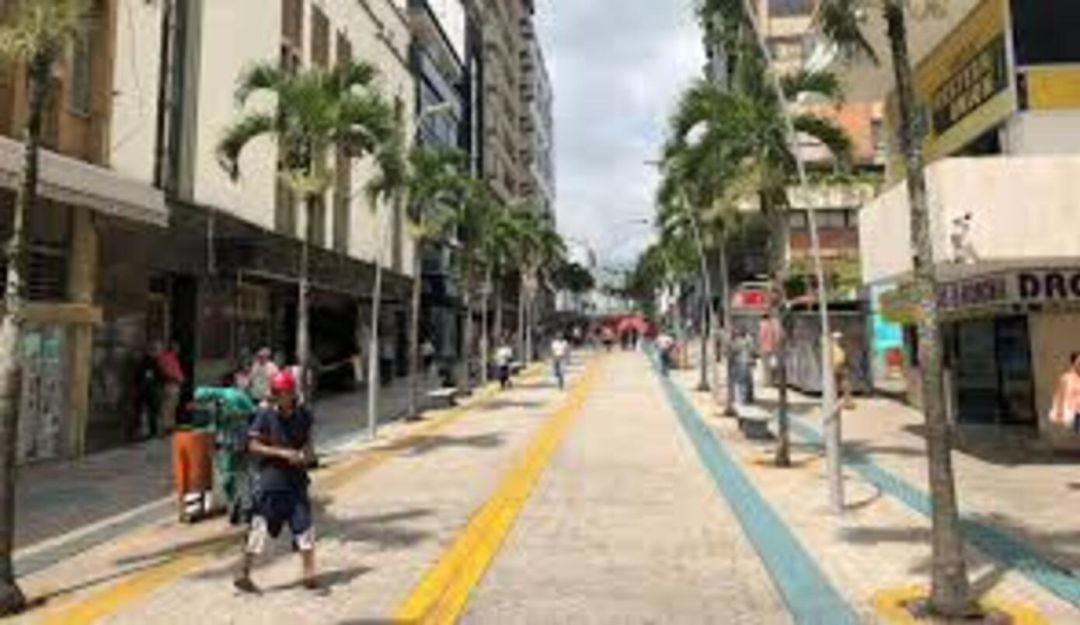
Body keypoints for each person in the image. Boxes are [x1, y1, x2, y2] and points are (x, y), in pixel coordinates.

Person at [235, 370, 318, 593]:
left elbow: (308, 444)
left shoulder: (304, 415)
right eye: (278, 393)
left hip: (296, 481)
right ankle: (244, 572)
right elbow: (253, 445)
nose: (283, 397)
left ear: (293, 393)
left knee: (304, 526)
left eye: (286, 392)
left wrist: (306, 456)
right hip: (271, 481)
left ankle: (309, 572)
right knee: (258, 526)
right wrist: (282, 453)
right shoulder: (265, 415)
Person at [155, 341, 186, 435]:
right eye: (177, 348)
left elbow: (177, 370)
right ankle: (164, 427)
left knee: (172, 406)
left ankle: (170, 426)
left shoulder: (174, 358)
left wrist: (181, 378)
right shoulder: (166, 358)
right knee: (167, 406)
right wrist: (178, 378)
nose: (178, 350)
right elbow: (167, 371)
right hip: (170, 384)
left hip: (175, 384)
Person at [1051, 352, 1080, 434]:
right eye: (1079, 363)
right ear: (1073, 364)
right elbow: (1060, 396)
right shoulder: (1066, 378)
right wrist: (1059, 413)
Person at [830, 331, 855, 410]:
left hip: (842, 367)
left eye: (839, 338)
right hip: (834, 368)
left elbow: (846, 357)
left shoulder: (843, 347)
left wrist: (848, 366)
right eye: (836, 338)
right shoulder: (831, 347)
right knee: (834, 385)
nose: (838, 340)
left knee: (846, 385)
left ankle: (847, 402)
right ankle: (834, 402)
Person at [732, 330, 757, 405]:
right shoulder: (750, 340)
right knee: (747, 381)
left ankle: (743, 399)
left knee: (742, 381)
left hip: (740, 362)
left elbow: (734, 350)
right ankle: (748, 398)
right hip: (746, 362)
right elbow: (753, 350)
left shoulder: (737, 341)